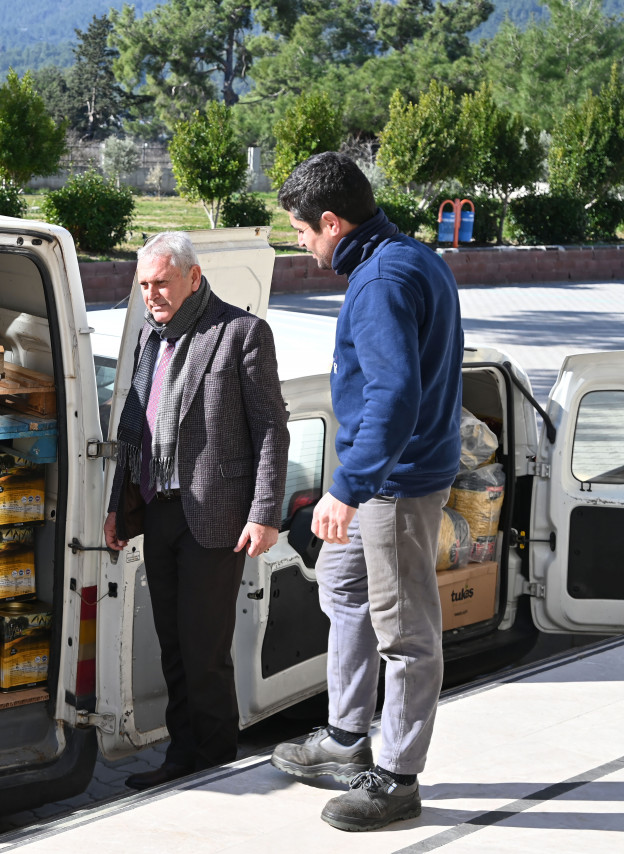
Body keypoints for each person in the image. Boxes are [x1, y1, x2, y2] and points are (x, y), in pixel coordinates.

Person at [268, 152, 463, 832]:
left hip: (396, 487)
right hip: (382, 474)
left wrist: (347, 487)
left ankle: (399, 779)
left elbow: (395, 393)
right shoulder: (410, 256)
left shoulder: (380, 280)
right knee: (341, 586)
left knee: (406, 634)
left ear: (331, 221)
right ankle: (347, 738)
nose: (298, 240)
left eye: (300, 230)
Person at [104, 231, 289, 790]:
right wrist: (118, 505)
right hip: (159, 508)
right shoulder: (148, 339)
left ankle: (215, 764)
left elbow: (271, 431)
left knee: (204, 648)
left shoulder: (241, 333)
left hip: (216, 516)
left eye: (161, 282)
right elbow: (131, 430)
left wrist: (264, 513)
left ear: (193, 277)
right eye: (143, 285)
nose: (152, 294)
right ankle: (182, 759)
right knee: (173, 643)